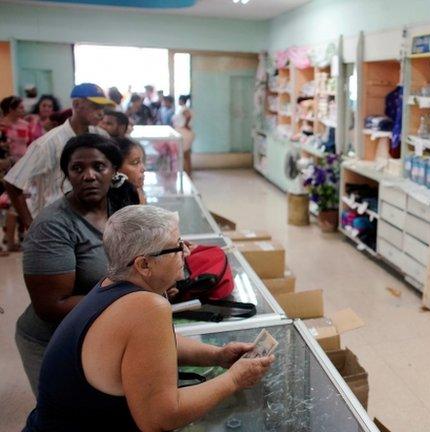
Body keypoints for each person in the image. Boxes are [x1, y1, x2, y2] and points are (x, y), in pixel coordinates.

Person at [23, 205, 275, 431]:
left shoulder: (111, 284)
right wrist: (234, 379)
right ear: (144, 265)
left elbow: (157, 343)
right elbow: (160, 417)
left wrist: (217, 355)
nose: (187, 252)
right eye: (177, 246)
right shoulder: (147, 306)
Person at [15, 134, 127, 396]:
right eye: (77, 168)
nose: (89, 176)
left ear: (114, 171)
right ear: (67, 174)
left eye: (99, 166)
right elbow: (52, 306)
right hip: (53, 342)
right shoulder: (54, 225)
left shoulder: (118, 204)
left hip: (99, 334)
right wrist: (130, 293)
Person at [3, 83, 114, 232]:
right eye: (95, 106)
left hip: (91, 223)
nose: (101, 113)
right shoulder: (48, 143)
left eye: (102, 108)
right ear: (77, 104)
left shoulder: (101, 136)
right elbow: (13, 182)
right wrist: (29, 223)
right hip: (55, 225)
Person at [0, 96, 33, 251]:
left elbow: (28, 144)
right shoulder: (2, 125)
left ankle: (18, 239)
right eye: (20, 107)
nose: (23, 110)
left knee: (22, 201)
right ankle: (7, 240)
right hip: (6, 166)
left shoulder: (25, 124)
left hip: (23, 166)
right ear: (11, 108)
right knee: (8, 204)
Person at [113, 137, 146, 205]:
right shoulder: (112, 206)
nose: (143, 169)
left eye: (141, 162)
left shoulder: (138, 194)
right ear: (115, 169)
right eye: (135, 162)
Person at [172, 94, 194, 174]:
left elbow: (188, 116)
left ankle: (187, 173)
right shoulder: (182, 109)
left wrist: (185, 125)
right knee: (186, 154)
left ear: (181, 100)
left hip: (183, 133)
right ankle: (188, 172)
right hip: (183, 132)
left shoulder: (183, 109)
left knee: (184, 154)